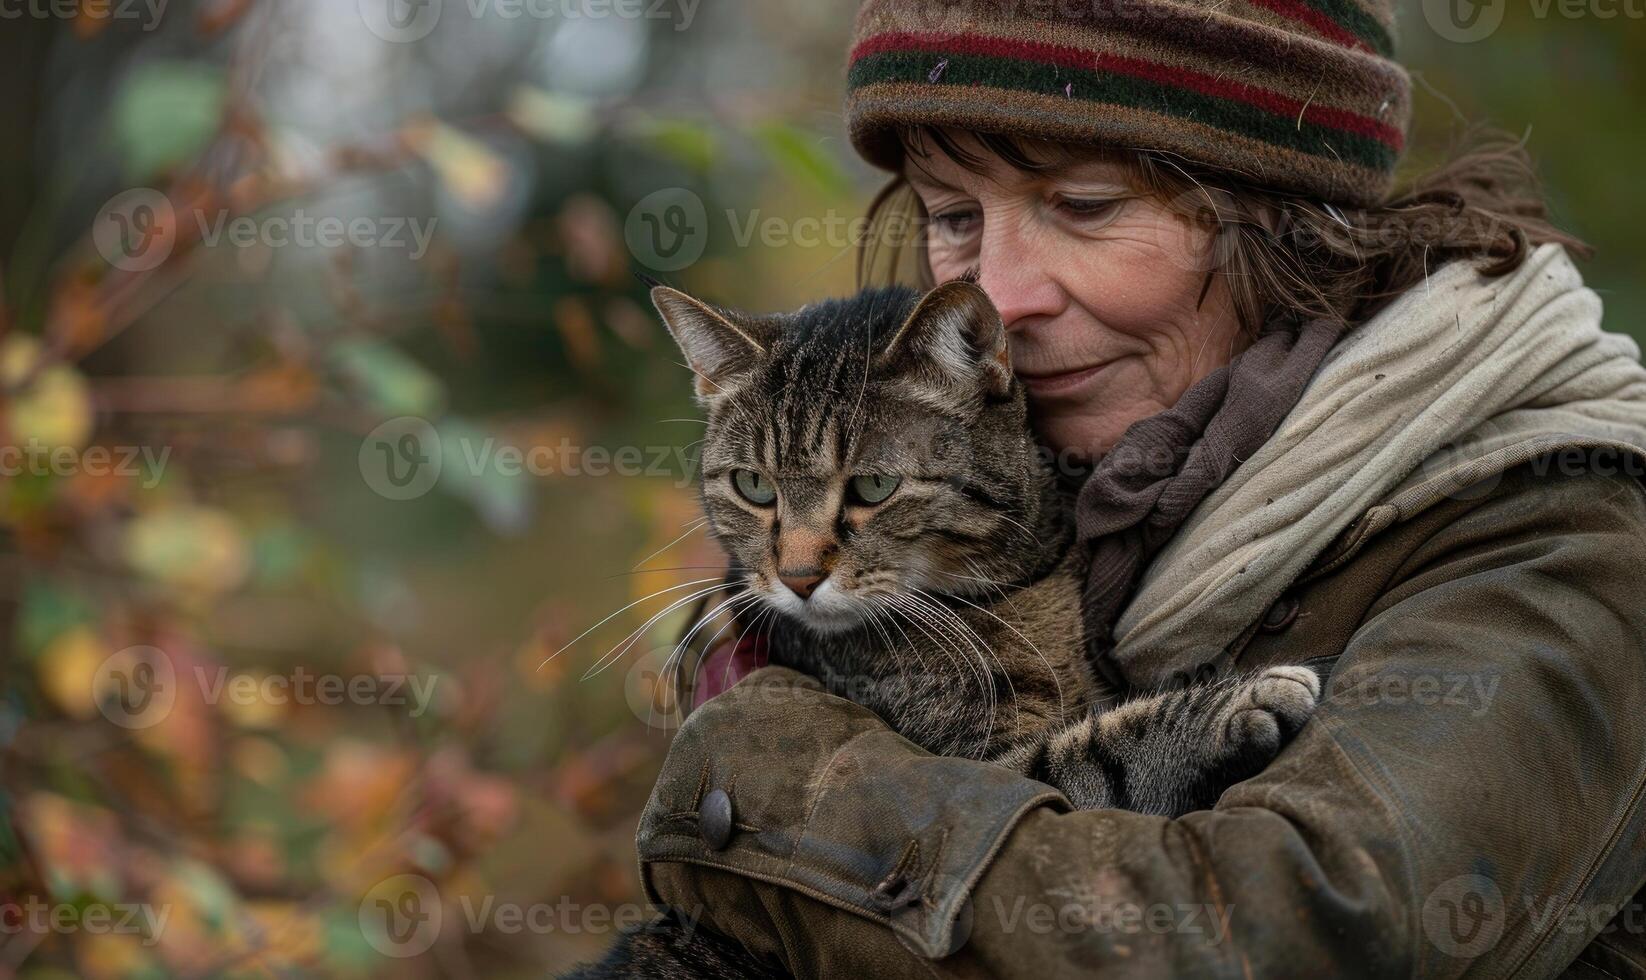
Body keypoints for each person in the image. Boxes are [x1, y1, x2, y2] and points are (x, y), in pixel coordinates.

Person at [627, 1, 1646, 975]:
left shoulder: (1559, 531)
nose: (1001, 294)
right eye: (951, 215)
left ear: (1281, 215)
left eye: (1083, 205)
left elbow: (1280, 939)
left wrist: (763, 791)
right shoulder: (1050, 491)